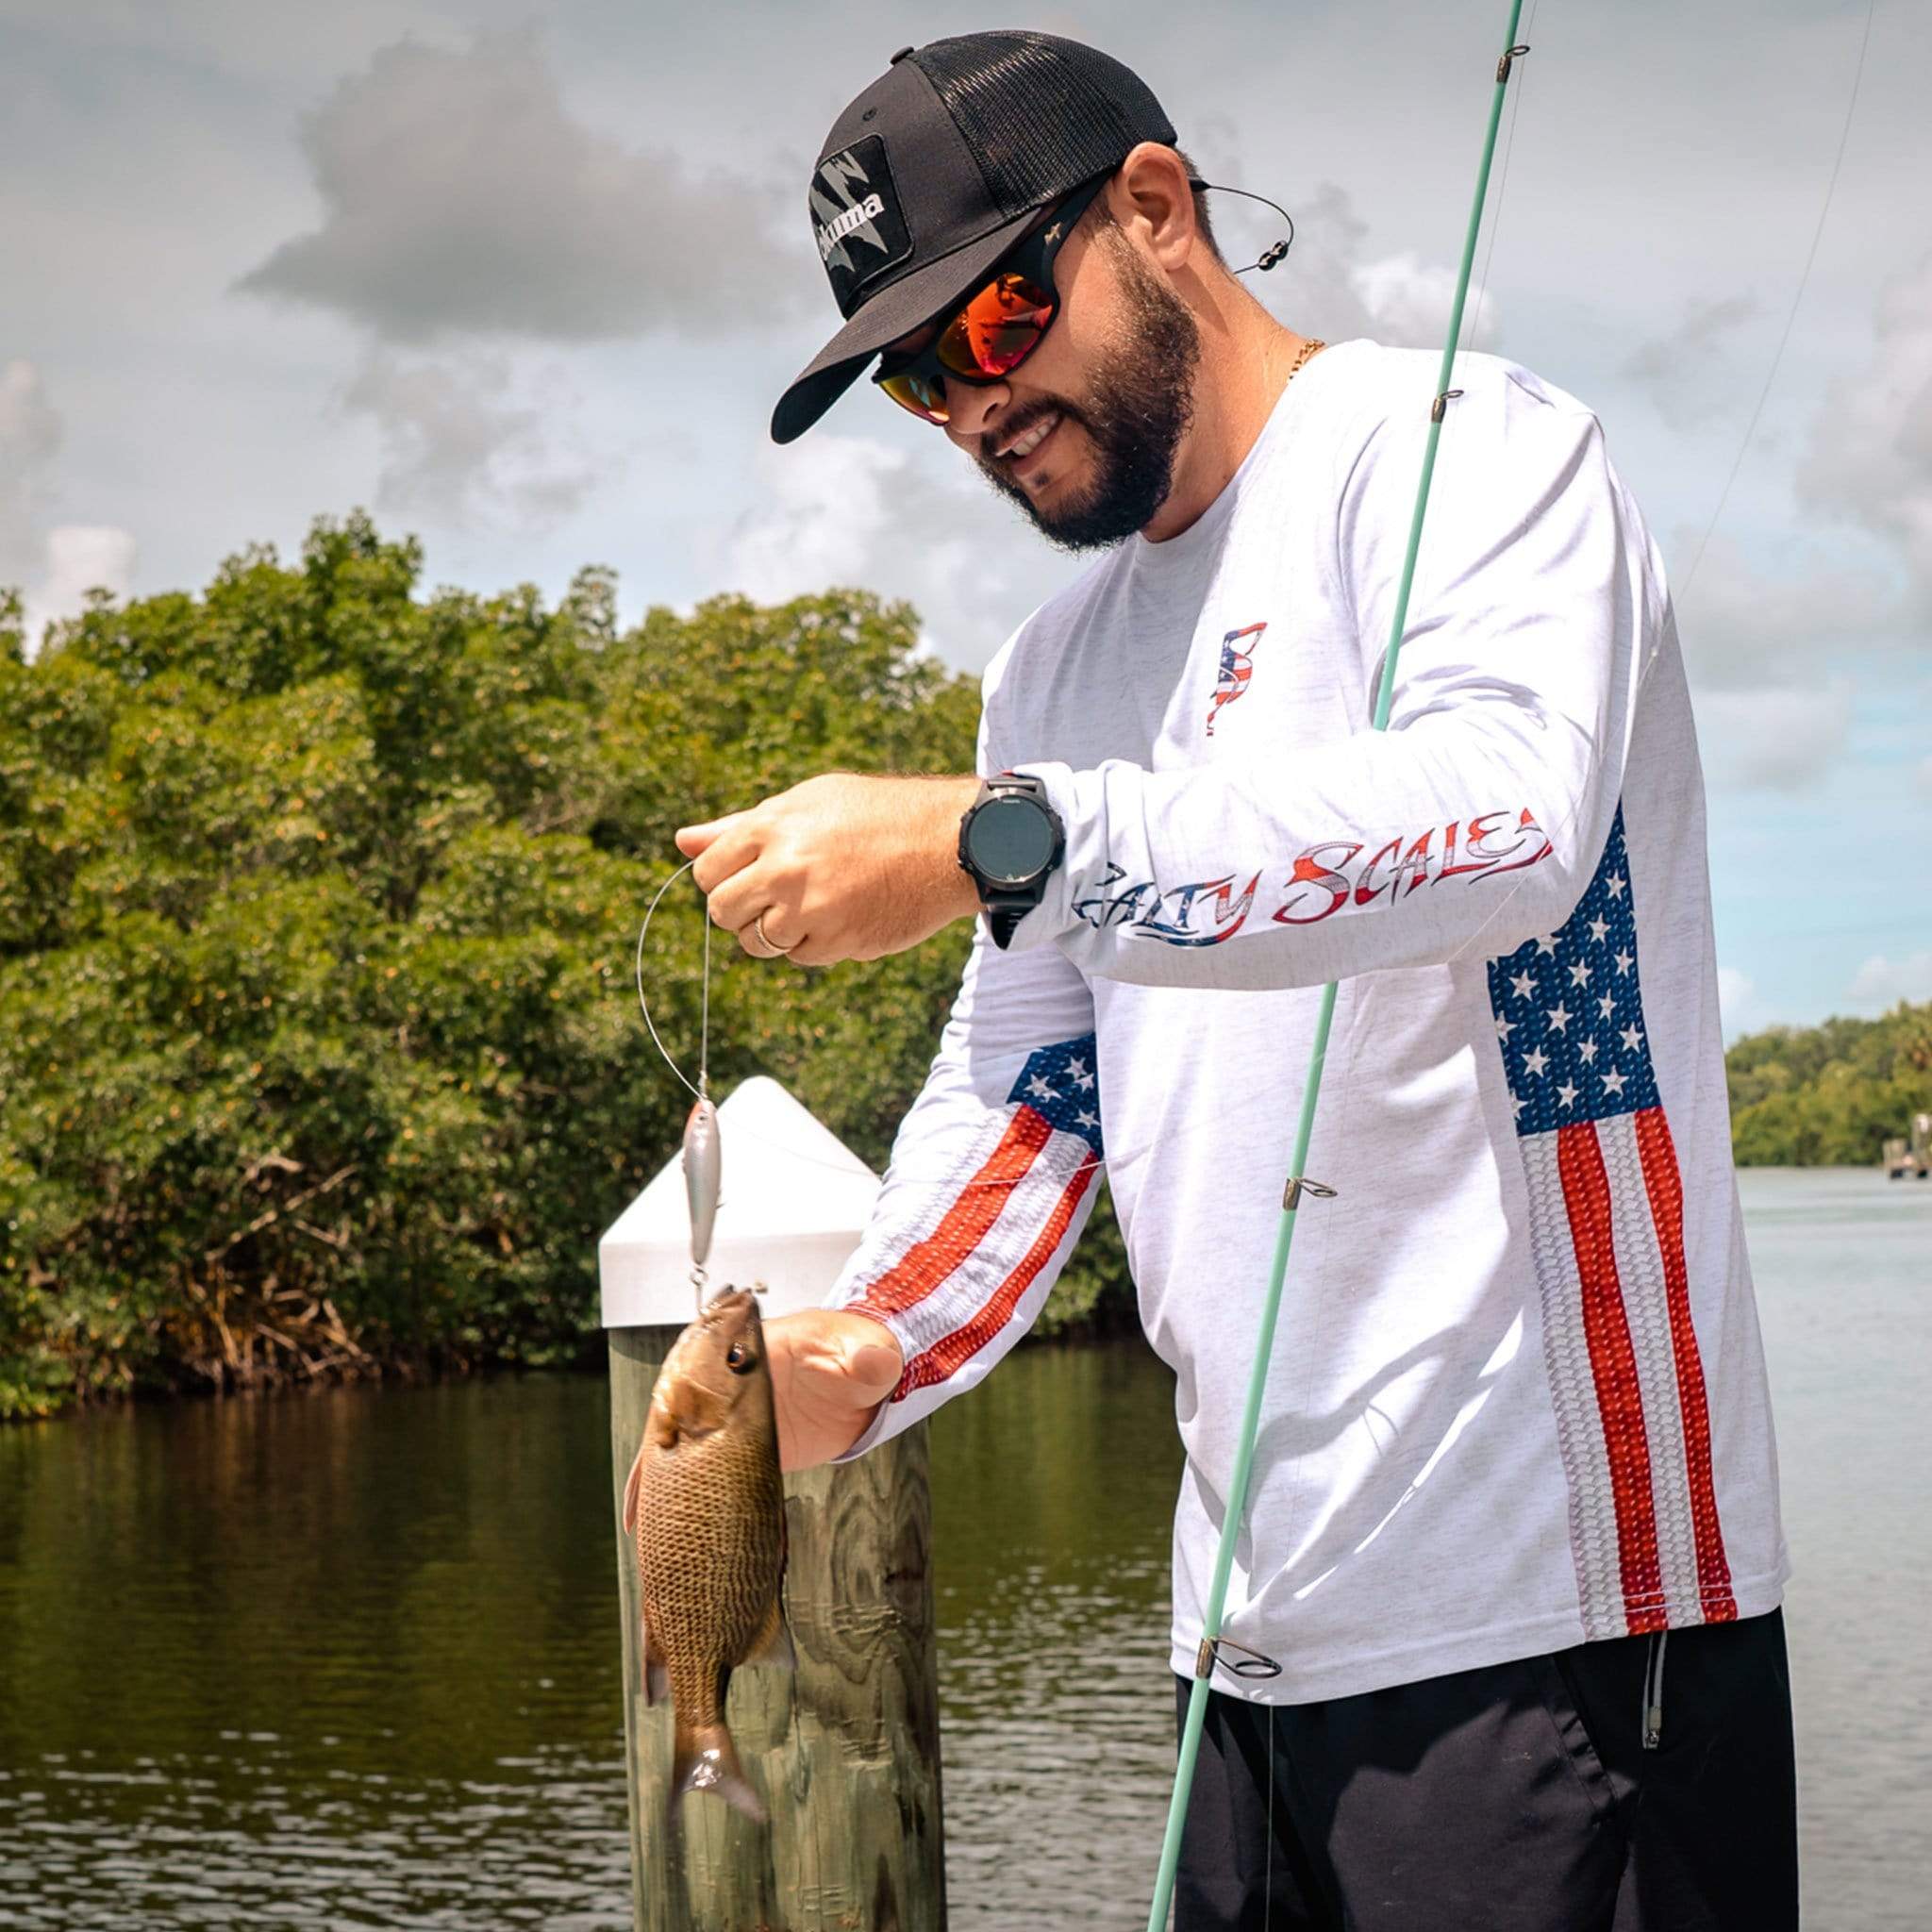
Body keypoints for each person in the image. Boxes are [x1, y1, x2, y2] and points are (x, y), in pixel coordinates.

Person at [675, 29, 1796, 1931]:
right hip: (1246, 1631)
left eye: (998, 318)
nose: (971, 405)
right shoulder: (1050, 669)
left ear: (1154, 209)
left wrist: (997, 840)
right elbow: (1040, 1078)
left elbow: (1508, 824)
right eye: (914, 379)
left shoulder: (1471, 456)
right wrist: (876, 1346)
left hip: (1558, 1610)